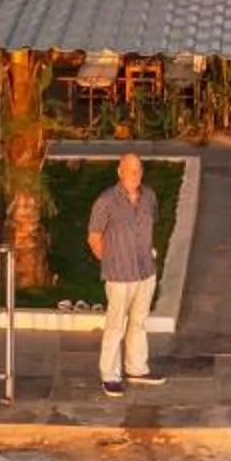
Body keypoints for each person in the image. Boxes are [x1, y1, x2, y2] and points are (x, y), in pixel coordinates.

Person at [87, 153, 165, 398]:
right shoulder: (106, 201)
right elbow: (94, 238)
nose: (135, 175)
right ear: (120, 172)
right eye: (130, 170)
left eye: (139, 170)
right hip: (120, 275)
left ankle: (137, 368)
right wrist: (112, 261)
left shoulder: (149, 197)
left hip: (145, 272)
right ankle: (109, 375)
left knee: (138, 322)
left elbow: (154, 224)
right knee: (115, 325)